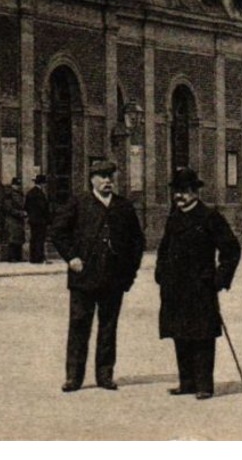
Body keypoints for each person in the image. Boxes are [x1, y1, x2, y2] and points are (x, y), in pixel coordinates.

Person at [49, 159, 145, 392]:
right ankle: (74, 377)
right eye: (102, 176)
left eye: (110, 176)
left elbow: (137, 242)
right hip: (83, 278)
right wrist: (71, 258)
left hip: (113, 279)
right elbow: (58, 232)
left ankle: (105, 375)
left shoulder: (124, 207)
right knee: (79, 325)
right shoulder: (78, 203)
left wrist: (129, 273)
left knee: (108, 327)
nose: (107, 181)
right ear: (92, 179)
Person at [155, 167, 242, 400]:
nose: (178, 196)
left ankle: (204, 385)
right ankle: (187, 383)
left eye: (183, 191)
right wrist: (160, 272)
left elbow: (231, 250)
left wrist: (219, 278)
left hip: (200, 286)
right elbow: (164, 248)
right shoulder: (175, 216)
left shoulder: (209, 217)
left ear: (195, 192)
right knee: (179, 333)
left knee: (202, 335)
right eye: (176, 192)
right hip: (174, 286)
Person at [25, 174, 52, 264]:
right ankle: (39, 258)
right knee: (40, 239)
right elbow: (43, 207)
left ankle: (33, 258)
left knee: (34, 238)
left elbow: (26, 206)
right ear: (42, 184)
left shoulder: (30, 193)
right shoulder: (39, 194)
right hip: (40, 220)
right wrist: (48, 218)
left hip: (33, 220)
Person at [0, 177, 27, 262]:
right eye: (16, 185)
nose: (17, 187)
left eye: (18, 185)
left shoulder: (20, 194)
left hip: (18, 220)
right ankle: (12, 257)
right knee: (12, 239)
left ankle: (18, 257)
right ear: (12, 185)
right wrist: (20, 213)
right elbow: (9, 208)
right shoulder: (9, 195)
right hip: (12, 220)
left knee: (19, 239)